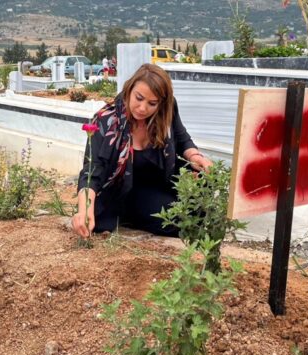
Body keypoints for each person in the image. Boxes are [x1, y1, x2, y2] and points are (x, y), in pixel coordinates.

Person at [72, 63, 213, 238]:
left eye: (152, 103)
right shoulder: (106, 121)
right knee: (177, 219)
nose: (143, 108)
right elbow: (92, 171)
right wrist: (84, 210)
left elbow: (182, 138)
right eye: (138, 98)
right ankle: (131, 215)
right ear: (129, 90)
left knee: (204, 183)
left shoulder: (167, 110)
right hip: (128, 189)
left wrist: (194, 156)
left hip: (163, 178)